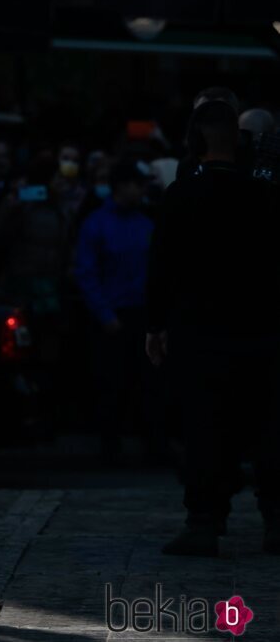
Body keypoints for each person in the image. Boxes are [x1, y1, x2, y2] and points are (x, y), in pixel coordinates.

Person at [147, 99, 280, 556]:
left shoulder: (183, 196)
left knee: (205, 429)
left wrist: (155, 325)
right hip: (260, 330)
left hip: (200, 332)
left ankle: (205, 520)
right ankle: (274, 520)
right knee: (268, 428)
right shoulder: (262, 195)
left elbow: (161, 266)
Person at [74, 159, 157, 462]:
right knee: (112, 384)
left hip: (140, 313)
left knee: (145, 382)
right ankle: (111, 443)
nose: (142, 191)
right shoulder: (98, 224)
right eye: (137, 185)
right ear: (123, 187)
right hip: (112, 315)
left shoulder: (145, 222)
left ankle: (150, 441)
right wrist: (104, 314)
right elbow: (86, 273)